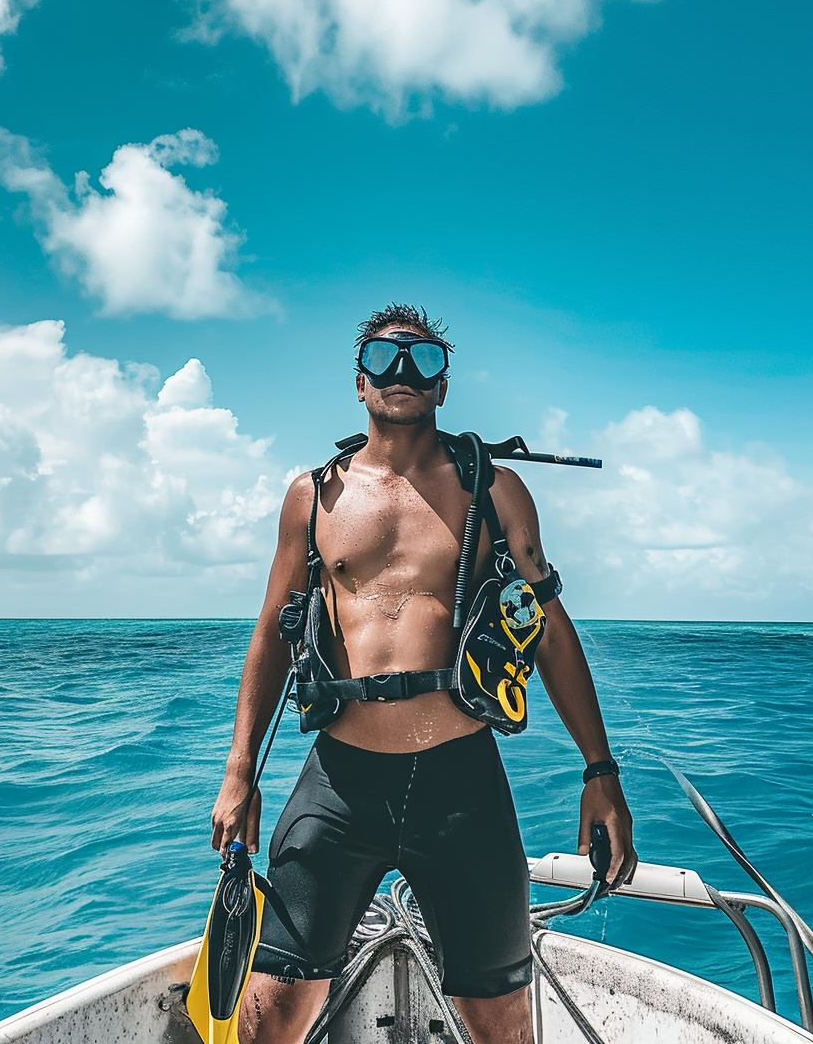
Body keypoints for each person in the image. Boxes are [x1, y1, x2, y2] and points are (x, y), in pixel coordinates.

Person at [210, 304, 637, 1044]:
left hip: (460, 780)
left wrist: (600, 770)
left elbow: (549, 630)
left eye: (425, 360)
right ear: (358, 382)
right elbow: (272, 633)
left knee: (504, 1022)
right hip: (341, 783)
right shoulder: (313, 497)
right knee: (269, 1016)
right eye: (383, 357)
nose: (403, 372)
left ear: (443, 387)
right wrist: (240, 769)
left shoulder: (494, 490)